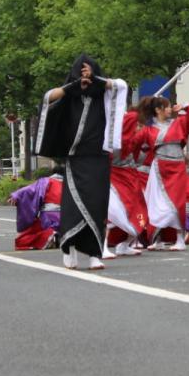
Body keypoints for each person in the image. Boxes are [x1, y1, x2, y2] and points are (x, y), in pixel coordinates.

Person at [35, 54, 127, 270]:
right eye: (82, 71)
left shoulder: (104, 95)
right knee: (73, 207)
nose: (85, 75)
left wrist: (96, 80)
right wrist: (73, 86)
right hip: (75, 159)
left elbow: (121, 85)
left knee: (97, 206)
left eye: (89, 71)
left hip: (98, 159)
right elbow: (47, 98)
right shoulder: (69, 95)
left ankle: (95, 254)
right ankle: (69, 248)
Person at [139, 96, 189, 251]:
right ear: (158, 110)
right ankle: (158, 238)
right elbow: (136, 146)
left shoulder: (179, 123)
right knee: (156, 204)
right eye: (168, 106)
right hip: (158, 170)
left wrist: (185, 106)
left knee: (176, 204)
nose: (171, 109)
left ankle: (180, 239)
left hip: (177, 169)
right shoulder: (147, 129)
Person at [105, 107, 149, 258]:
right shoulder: (115, 143)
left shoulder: (130, 140)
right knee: (112, 213)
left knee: (141, 215)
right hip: (116, 181)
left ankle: (124, 245)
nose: (138, 128)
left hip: (132, 180)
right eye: (135, 125)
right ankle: (102, 246)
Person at [9, 167, 62, 251]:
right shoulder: (72, 183)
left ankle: (50, 235)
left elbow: (29, 190)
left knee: (31, 233)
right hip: (68, 216)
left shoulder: (46, 181)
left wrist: (17, 196)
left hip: (49, 217)